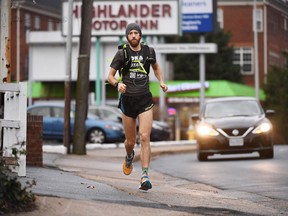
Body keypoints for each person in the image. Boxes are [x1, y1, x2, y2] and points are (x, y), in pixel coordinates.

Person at [107, 23, 168, 191]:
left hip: (144, 100)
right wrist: (117, 85)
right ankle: (129, 156)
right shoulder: (122, 53)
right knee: (130, 141)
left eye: (136, 33)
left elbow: (156, 67)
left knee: (145, 136)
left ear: (140, 35)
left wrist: (161, 81)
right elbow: (110, 76)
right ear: (127, 37)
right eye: (130, 33)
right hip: (127, 100)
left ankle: (145, 175)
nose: (133, 35)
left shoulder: (149, 51)